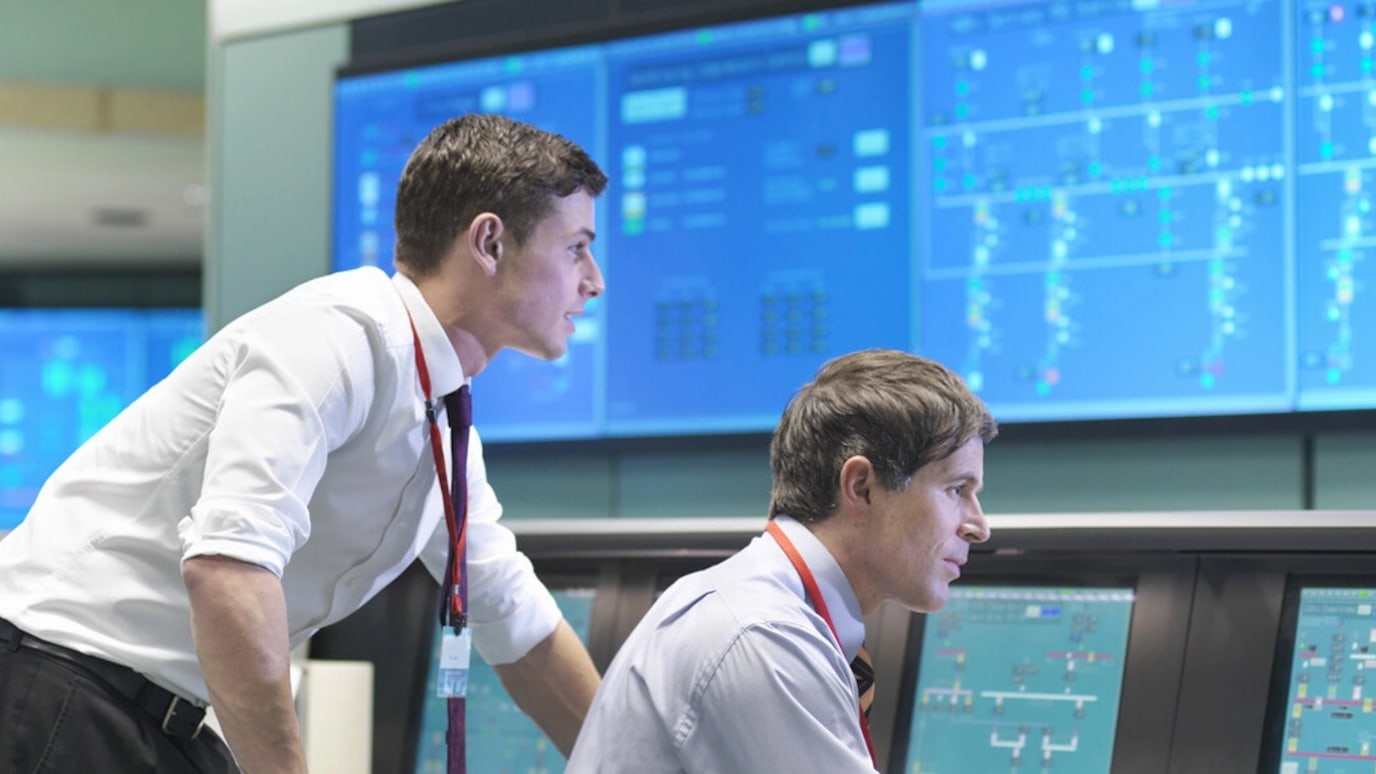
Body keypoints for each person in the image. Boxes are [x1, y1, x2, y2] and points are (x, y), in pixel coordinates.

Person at [0, 113, 608, 773]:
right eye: (576, 246)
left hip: (153, 715)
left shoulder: (441, 424)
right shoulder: (338, 337)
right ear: (488, 243)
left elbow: (519, 629)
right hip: (57, 685)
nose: (594, 280)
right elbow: (227, 570)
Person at [566, 348, 997, 773]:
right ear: (862, 487)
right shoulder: (763, 636)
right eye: (956, 489)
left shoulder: (761, 607)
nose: (979, 527)